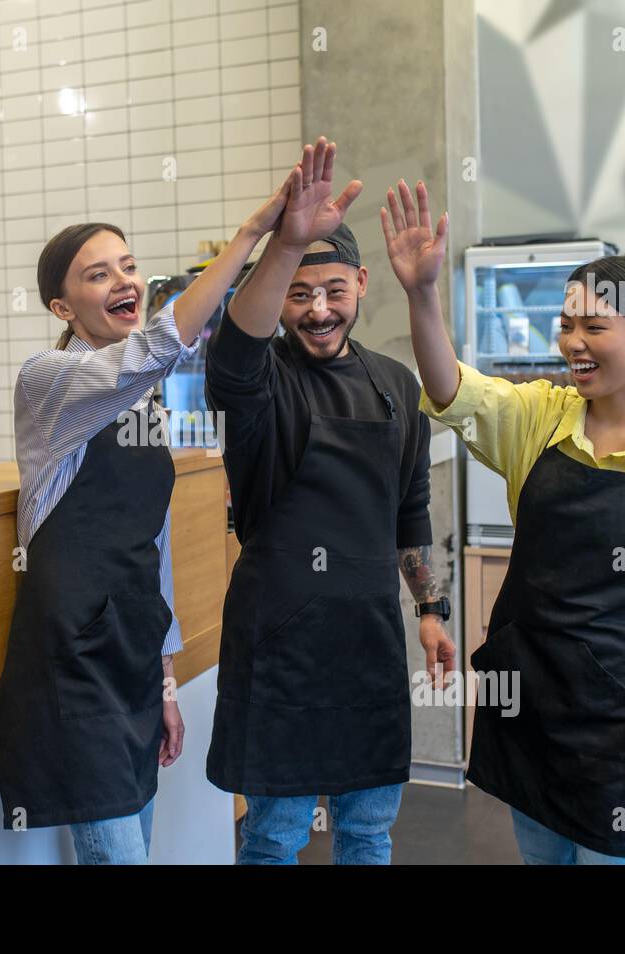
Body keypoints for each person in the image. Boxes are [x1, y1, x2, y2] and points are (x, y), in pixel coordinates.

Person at [383, 177, 625, 864]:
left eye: (594, 327)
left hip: (614, 711)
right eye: (567, 323)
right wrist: (422, 293)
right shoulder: (542, 415)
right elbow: (449, 390)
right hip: (530, 697)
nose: (573, 342)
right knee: (540, 855)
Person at [0, 159, 300, 864]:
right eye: (97, 274)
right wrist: (254, 231)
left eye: (127, 265)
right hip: (69, 669)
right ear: (62, 308)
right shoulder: (49, 381)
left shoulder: (144, 406)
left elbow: (152, 551)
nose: (123, 280)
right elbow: (161, 346)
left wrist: (163, 680)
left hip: (130, 661)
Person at [204, 138, 456, 865]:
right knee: (275, 836)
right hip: (277, 639)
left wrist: (432, 610)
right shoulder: (257, 381)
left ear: (362, 284)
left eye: (333, 292)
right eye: (298, 293)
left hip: (367, 641)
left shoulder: (396, 385)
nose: (317, 311)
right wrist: (281, 245)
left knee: (368, 831)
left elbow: (413, 505)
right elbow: (233, 350)